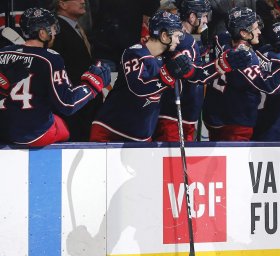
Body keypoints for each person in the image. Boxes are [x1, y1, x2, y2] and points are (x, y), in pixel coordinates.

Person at [90, 10, 250, 142]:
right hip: (110, 130)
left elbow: (197, 75)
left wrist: (224, 63)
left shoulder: (169, 56)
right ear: (164, 36)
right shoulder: (134, 53)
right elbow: (139, 88)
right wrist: (167, 76)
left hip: (142, 136)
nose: (179, 39)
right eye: (176, 35)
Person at [0, 7, 111, 147]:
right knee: (63, 126)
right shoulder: (50, 58)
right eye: (51, 29)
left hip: (4, 129)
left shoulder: (3, 53)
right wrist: (93, 83)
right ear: (42, 33)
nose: (54, 33)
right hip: (32, 134)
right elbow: (67, 104)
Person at [202, 7, 280, 141]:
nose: (259, 31)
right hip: (236, 122)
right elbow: (269, 86)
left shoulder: (221, 38)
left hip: (213, 115)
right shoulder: (245, 58)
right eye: (255, 28)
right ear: (244, 33)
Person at [154, 0, 211, 142]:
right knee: (172, 160)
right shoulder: (185, 40)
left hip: (183, 113)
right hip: (175, 114)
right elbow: (192, 74)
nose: (206, 21)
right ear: (192, 17)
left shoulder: (184, 39)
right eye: (203, 16)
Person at [52, 0, 103, 141]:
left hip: (84, 104)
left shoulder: (75, 27)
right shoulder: (56, 29)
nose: (83, 1)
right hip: (73, 106)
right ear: (62, 4)